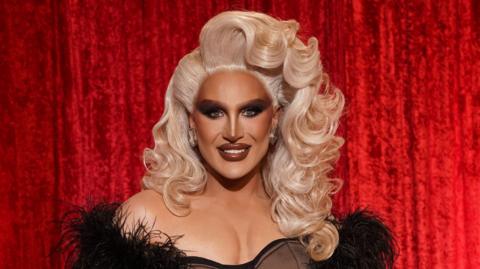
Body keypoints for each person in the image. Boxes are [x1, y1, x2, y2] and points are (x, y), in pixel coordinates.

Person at [62, 11, 394, 269]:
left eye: (250, 111)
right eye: (214, 112)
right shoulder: (144, 219)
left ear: (275, 119)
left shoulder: (309, 226)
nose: (233, 131)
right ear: (192, 122)